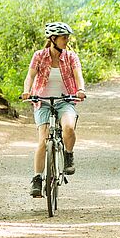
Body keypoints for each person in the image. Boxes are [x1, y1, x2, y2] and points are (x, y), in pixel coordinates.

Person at [20, 21, 86, 198]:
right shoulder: (39, 56)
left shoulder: (71, 57)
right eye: (63, 37)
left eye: (67, 37)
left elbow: (78, 76)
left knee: (69, 128)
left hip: (66, 100)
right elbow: (30, 77)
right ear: (53, 39)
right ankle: (37, 178)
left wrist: (81, 90)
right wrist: (27, 91)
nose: (66, 40)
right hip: (42, 101)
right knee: (43, 140)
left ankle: (68, 154)